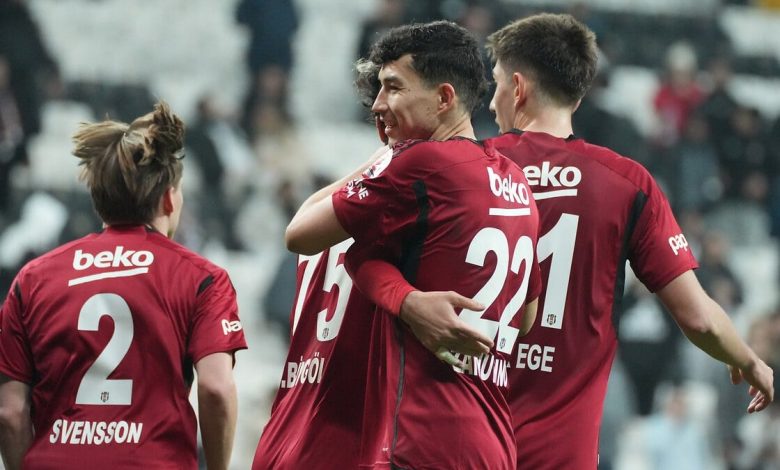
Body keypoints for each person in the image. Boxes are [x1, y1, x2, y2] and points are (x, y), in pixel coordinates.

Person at [343, 13, 774, 470]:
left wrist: (408, 302)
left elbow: (359, 254)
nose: (491, 103)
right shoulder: (627, 184)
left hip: (459, 443)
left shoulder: (458, 166)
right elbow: (699, 318)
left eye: (496, 84)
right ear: (579, 93)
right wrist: (747, 359)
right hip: (561, 456)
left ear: (517, 87)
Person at [284, 21, 541, 469]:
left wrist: (384, 159)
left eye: (393, 87)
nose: (378, 103)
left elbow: (300, 233)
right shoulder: (516, 181)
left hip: (423, 439)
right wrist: (413, 300)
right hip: (494, 442)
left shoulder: (419, 164)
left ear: (443, 98)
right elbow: (527, 319)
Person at [0, 102, 246, 470]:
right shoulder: (201, 278)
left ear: (99, 203)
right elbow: (216, 388)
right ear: (169, 198)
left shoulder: (33, 279)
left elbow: (9, 412)